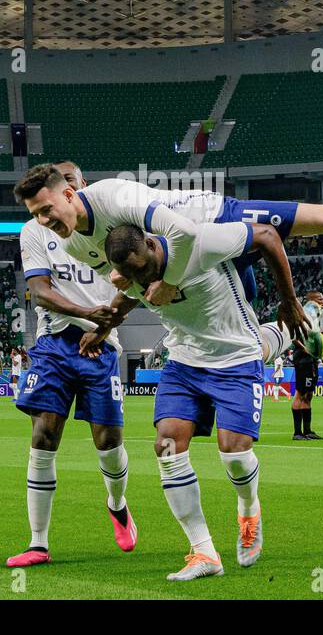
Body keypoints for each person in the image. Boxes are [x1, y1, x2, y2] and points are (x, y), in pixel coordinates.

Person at [93, 217, 307, 581]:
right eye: (131, 275)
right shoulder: (133, 272)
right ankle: (204, 552)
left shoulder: (199, 244)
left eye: (142, 270)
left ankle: (248, 508)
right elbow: (123, 303)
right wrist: (99, 331)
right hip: (184, 364)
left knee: (235, 455)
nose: (141, 281)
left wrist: (289, 301)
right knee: (167, 447)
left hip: (236, 358)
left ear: (150, 244)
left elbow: (269, 235)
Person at [12, 163, 323, 306]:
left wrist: (166, 283)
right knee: (244, 348)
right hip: (198, 266)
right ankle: (311, 323)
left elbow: (182, 233)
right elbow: (133, 278)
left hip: (218, 221)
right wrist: (122, 298)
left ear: (70, 194)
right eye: (36, 216)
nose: (44, 221)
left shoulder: (114, 196)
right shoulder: (73, 242)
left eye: (47, 209)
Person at [7, 161, 138, 568]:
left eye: (72, 184)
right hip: (54, 344)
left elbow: (135, 282)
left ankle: (117, 504)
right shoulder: (34, 231)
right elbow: (40, 292)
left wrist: (104, 326)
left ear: (80, 188)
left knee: (107, 441)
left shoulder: (111, 227)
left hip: (102, 345)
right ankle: (38, 543)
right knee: (44, 436)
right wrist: (87, 314)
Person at [291, 291, 323, 439]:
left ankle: (308, 431)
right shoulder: (301, 316)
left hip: (312, 361)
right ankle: (297, 432)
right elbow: (292, 335)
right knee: (300, 393)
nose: (322, 301)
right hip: (302, 360)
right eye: (320, 299)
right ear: (311, 300)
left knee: (309, 395)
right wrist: (304, 348)